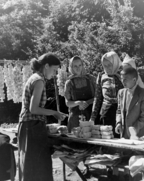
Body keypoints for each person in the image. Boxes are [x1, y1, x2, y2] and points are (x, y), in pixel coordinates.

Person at [18, 53, 66, 181]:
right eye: (54, 70)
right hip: (32, 127)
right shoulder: (39, 81)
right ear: (46, 66)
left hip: (29, 126)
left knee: (30, 166)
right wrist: (54, 113)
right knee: (38, 167)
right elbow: (33, 109)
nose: (55, 74)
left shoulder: (35, 78)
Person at [90, 51, 123, 137]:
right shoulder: (101, 76)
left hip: (121, 114)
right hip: (106, 113)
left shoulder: (123, 76)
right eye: (105, 66)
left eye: (110, 65)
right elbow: (97, 98)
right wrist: (93, 117)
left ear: (115, 63)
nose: (107, 68)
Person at [115, 67, 144, 140]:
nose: (122, 81)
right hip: (124, 135)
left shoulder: (143, 94)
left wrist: (133, 130)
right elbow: (119, 111)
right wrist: (118, 122)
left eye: (125, 79)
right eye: (121, 79)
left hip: (139, 135)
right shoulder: (121, 93)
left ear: (134, 80)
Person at [64, 56, 96, 132]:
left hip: (90, 116)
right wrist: (78, 103)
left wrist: (87, 102)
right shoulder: (69, 83)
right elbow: (67, 103)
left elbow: (98, 97)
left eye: (79, 65)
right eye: (75, 66)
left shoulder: (91, 79)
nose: (78, 68)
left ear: (82, 65)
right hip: (75, 118)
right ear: (71, 67)